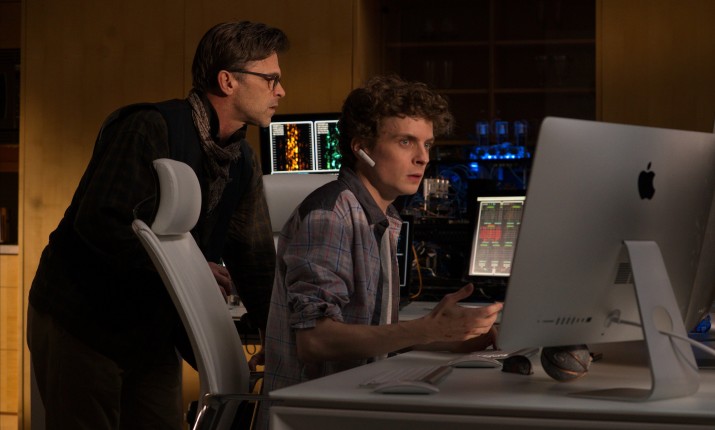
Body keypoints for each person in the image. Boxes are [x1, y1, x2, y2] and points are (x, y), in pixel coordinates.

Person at [26, 21, 288, 430]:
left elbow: (253, 258)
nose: (281, 91)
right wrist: (191, 270)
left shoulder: (241, 160)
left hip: (152, 328)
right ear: (227, 81)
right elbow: (101, 224)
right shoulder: (150, 127)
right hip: (83, 320)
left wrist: (279, 342)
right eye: (270, 79)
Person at [258, 75, 503, 428]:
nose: (423, 158)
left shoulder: (380, 217)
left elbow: (369, 336)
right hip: (315, 416)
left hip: (354, 401)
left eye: (427, 144)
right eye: (406, 142)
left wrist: (451, 338)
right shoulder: (332, 216)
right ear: (362, 148)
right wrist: (425, 330)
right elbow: (315, 341)